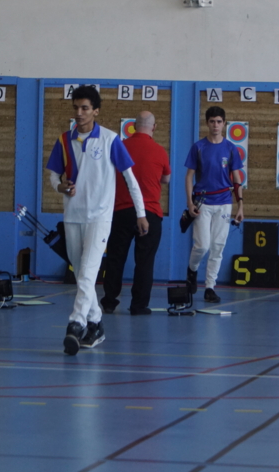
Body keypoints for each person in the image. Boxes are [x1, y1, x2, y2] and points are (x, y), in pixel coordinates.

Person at [46, 86, 149, 355]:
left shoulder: (110, 139)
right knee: (82, 273)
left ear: (96, 111)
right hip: (72, 216)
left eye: (85, 108)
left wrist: (141, 213)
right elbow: (53, 176)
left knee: (88, 271)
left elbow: (130, 179)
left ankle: (76, 323)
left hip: (100, 217)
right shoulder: (64, 141)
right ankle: (96, 324)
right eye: (76, 108)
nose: (79, 113)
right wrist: (60, 187)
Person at [101, 111, 171, 315]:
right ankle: (139, 305)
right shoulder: (160, 151)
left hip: (121, 211)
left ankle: (109, 301)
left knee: (115, 258)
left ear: (132, 126)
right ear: (154, 127)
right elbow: (166, 179)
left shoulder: (120, 147)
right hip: (150, 212)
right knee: (145, 261)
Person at [184, 106, 244, 303]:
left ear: (224, 123)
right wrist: (189, 202)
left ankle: (210, 287)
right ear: (207, 123)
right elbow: (189, 176)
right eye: (212, 121)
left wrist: (240, 205)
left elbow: (237, 178)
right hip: (202, 202)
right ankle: (192, 270)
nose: (215, 125)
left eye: (219, 121)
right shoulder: (198, 147)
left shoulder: (231, 148)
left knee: (218, 246)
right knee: (202, 245)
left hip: (224, 202)